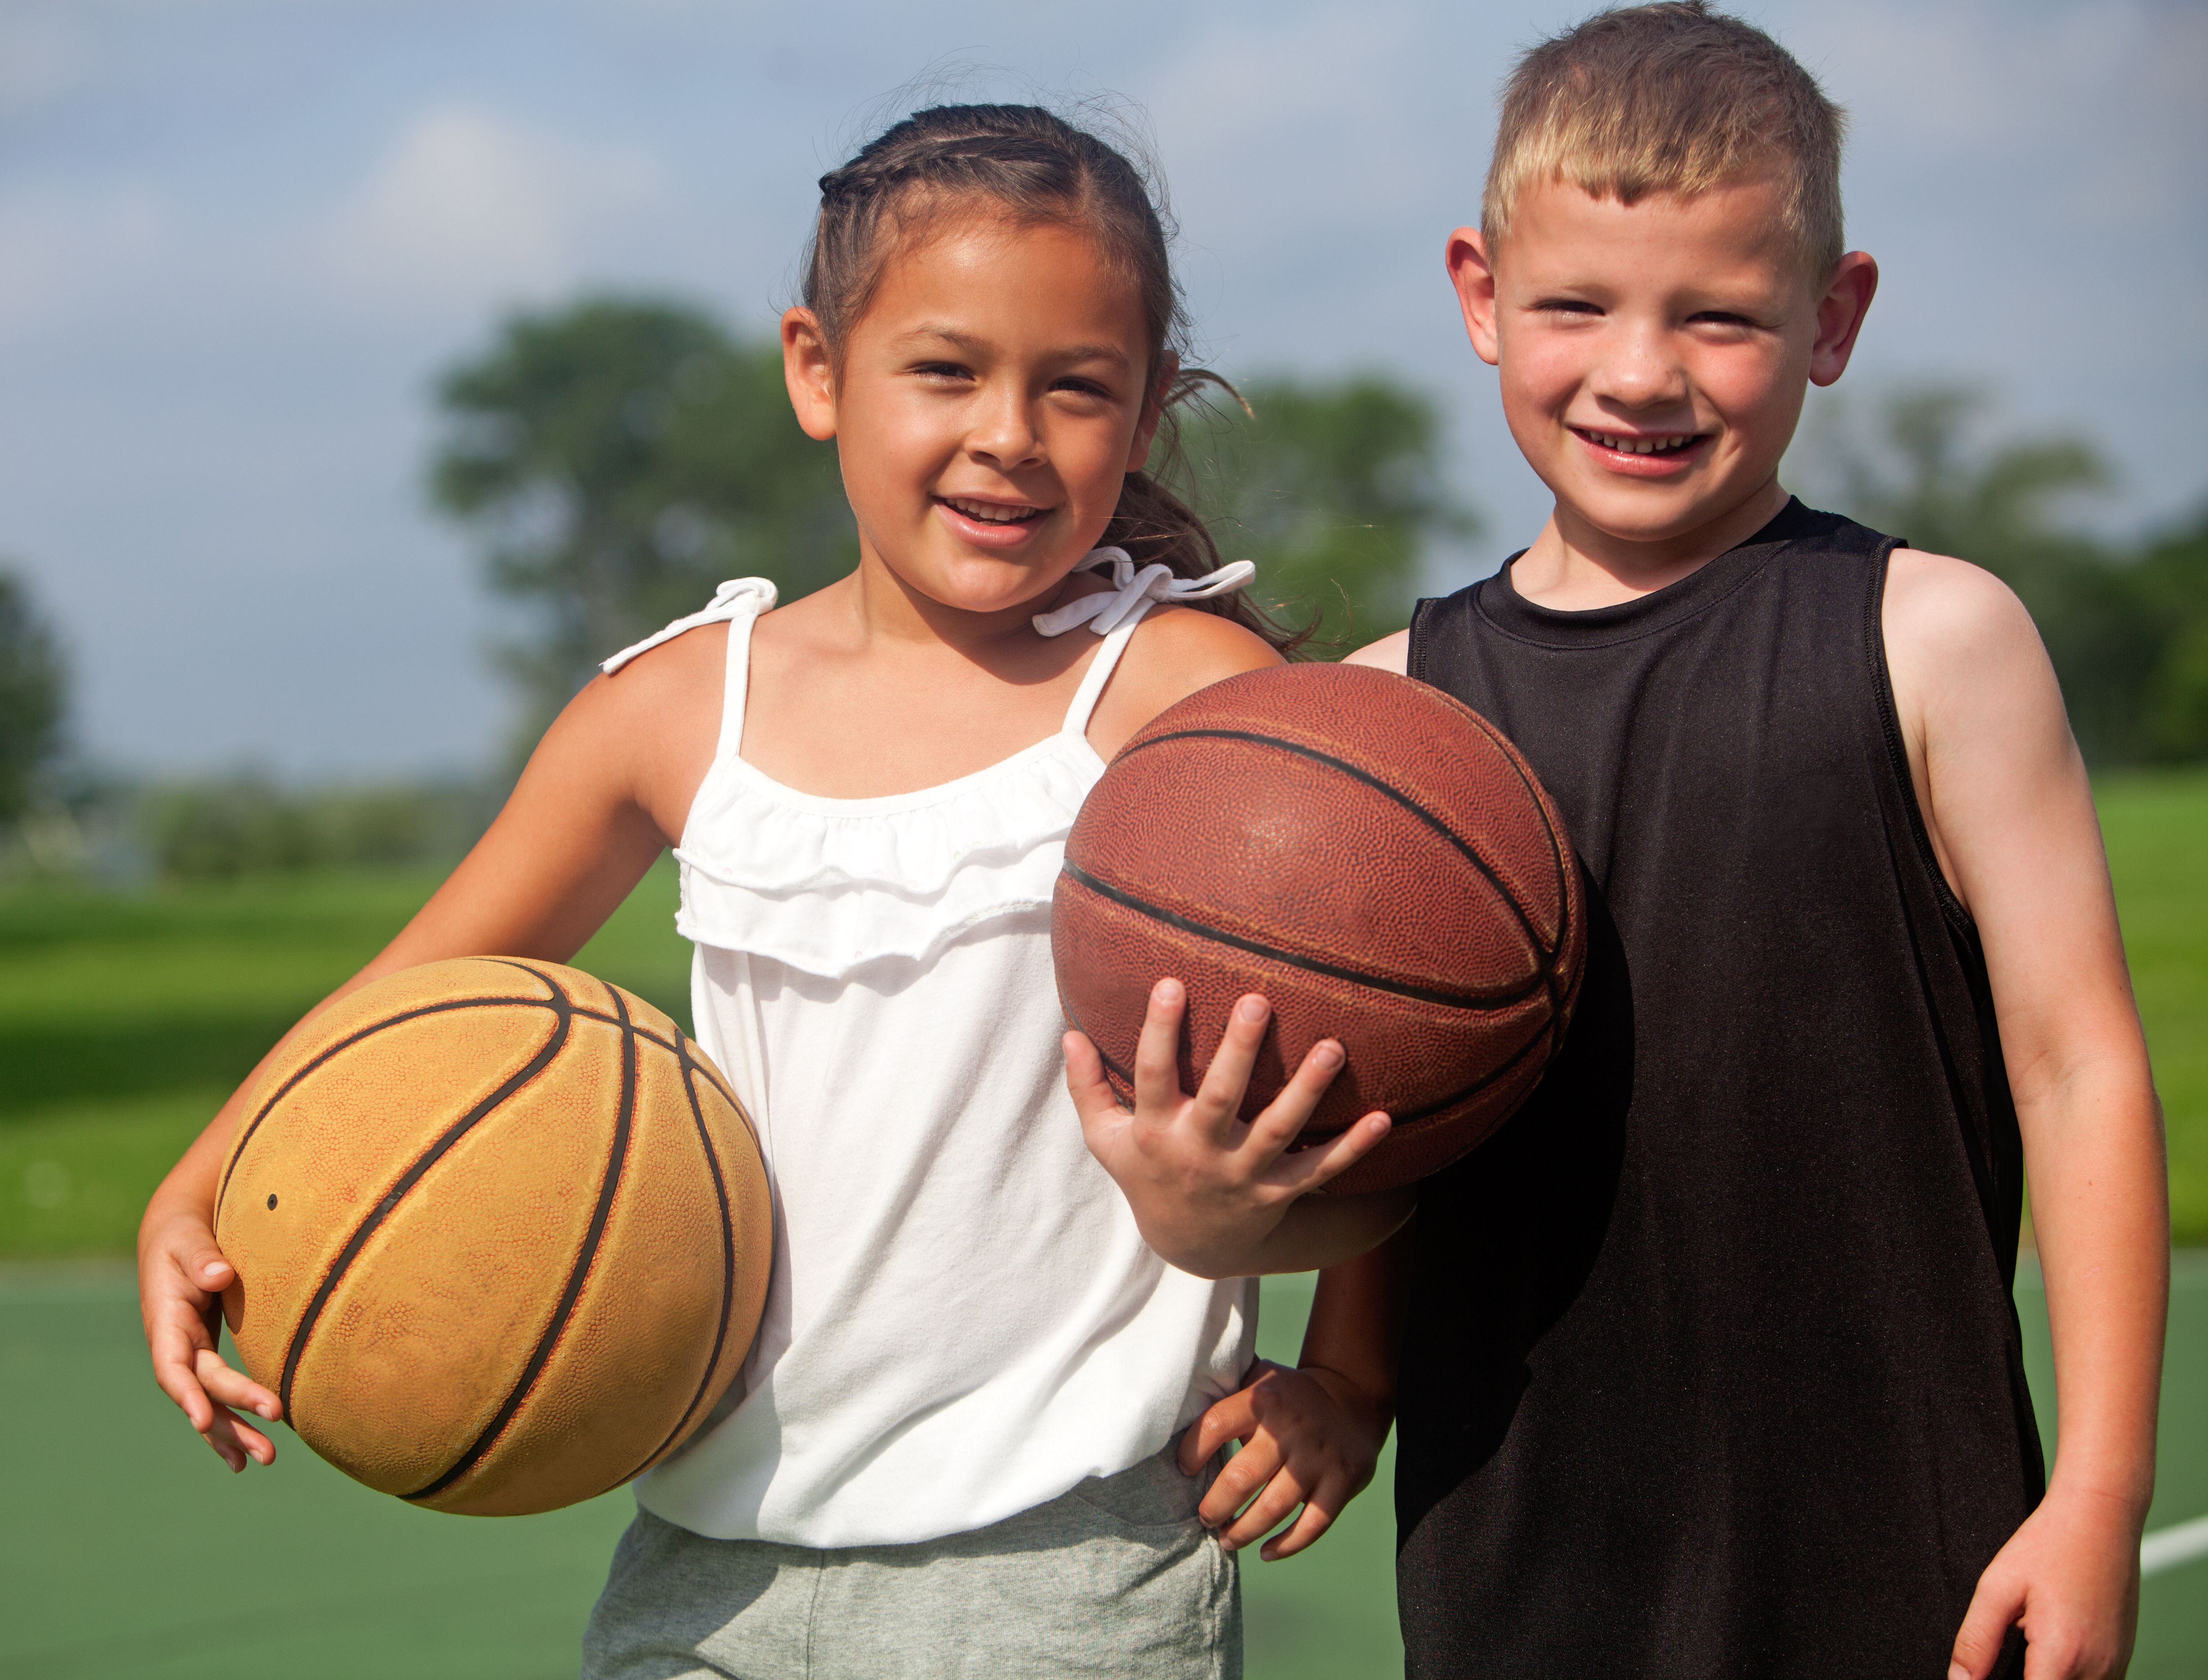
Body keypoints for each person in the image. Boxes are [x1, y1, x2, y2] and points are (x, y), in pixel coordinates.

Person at [134, 103, 1409, 1680]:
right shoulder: (675, 710)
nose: (1008, 432)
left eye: (1076, 387)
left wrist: (1347, 1383)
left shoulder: (1184, 696)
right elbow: (402, 1006)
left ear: (1146, 413)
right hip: (709, 1574)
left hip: (1069, 1574)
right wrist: (199, 1186)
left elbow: (1393, 1025)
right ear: (819, 369)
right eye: (945, 371)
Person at [1071, 7, 2169, 1677]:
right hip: (1523, 1562)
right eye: (1576, 305)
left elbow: (2079, 1068)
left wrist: (2096, 1495)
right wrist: (1349, 1379)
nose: (1641, 372)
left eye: (1720, 317)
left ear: (1834, 316)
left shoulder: (1937, 638)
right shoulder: (1395, 709)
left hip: (1909, 1556)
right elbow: (1404, 1112)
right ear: (1481, 295)